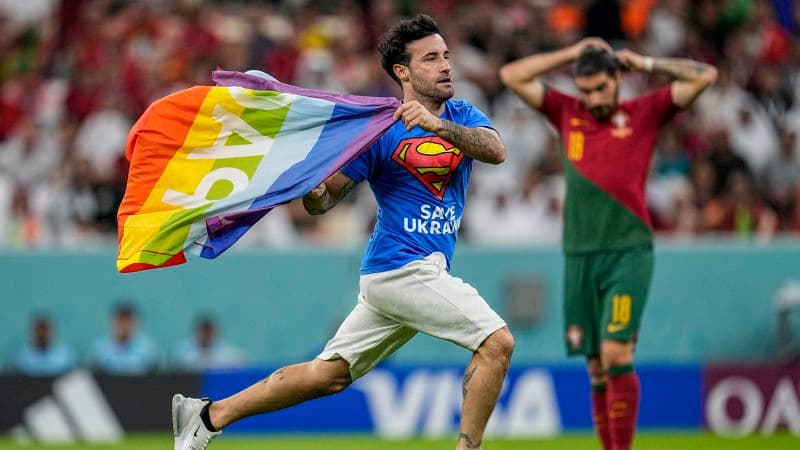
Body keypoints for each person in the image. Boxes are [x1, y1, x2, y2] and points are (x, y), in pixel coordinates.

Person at [171, 14, 514, 450]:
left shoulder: (462, 114)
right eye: (431, 58)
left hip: (402, 276)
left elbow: (496, 150)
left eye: (446, 55)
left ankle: (206, 416)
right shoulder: (378, 130)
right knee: (497, 343)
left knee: (328, 375)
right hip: (402, 269)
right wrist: (311, 188)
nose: (446, 65)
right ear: (402, 72)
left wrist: (439, 126)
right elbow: (325, 200)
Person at [500, 39, 717, 450]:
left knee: (616, 353)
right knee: (596, 367)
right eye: (585, 90)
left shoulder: (645, 112)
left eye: (600, 87)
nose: (593, 98)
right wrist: (571, 53)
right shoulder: (568, 111)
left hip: (628, 251)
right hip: (579, 254)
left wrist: (648, 61)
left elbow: (706, 76)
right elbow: (511, 76)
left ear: (618, 79)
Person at [88, 302, 159, 375]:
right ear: (113, 322)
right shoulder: (100, 349)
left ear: (136, 322)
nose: (125, 325)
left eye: (129, 320)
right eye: (121, 320)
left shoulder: (148, 348)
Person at [9, 314, 77, 376]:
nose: (42, 334)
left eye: (45, 330)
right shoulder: (22, 357)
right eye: (39, 330)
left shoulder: (65, 356)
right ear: (33, 332)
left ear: (52, 332)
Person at [173, 315, 246, 371]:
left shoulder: (228, 354)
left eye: (208, 332)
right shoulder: (183, 352)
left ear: (214, 333)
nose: (205, 336)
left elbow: (242, 365)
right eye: (203, 332)